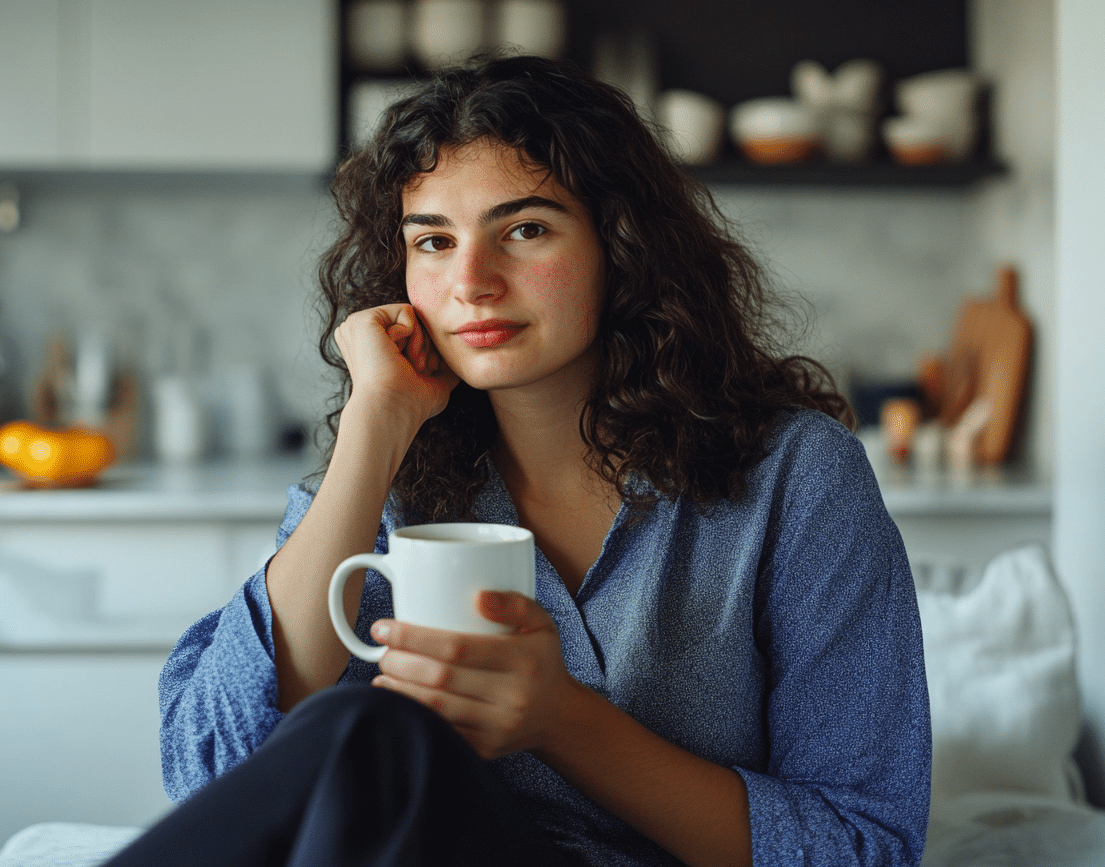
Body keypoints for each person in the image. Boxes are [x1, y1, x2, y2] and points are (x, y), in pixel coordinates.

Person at [106, 55, 930, 867]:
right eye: (433, 241)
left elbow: (864, 847)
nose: (471, 282)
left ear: (622, 246)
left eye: (525, 230)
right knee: (371, 732)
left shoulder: (797, 477)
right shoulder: (389, 482)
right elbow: (215, 767)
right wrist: (373, 424)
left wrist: (561, 720)